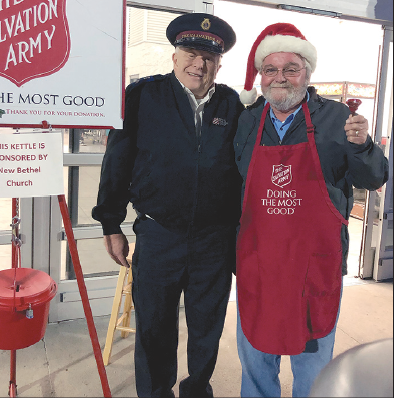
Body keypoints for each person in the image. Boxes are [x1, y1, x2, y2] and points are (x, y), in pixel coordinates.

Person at [92, 13, 245, 398]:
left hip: (214, 240)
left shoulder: (231, 103)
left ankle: (197, 389)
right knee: (155, 327)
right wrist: (111, 223)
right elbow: (118, 163)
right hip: (159, 235)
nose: (200, 63)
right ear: (174, 57)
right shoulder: (143, 96)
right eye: (191, 53)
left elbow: (243, 173)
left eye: (209, 57)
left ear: (220, 62)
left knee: (207, 327)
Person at [234, 23, 389, 398]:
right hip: (259, 265)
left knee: (314, 366)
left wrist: (364, 145)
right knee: (256, 362)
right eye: (270, 69)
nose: (280, 78)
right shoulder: (248, 120)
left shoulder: (339, 119)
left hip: (315, 265)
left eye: (291, 68)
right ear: (260, 76)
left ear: (307, 73)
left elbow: (374, 178)